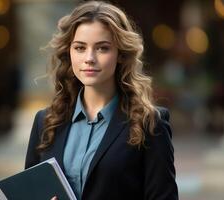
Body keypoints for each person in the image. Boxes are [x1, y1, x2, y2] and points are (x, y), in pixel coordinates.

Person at [24, 1, 178, 200]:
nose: (89, 58)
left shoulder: (150, 123)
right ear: (69, 52)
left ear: (120, 55)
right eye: (80, 48)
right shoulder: (45, 122)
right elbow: (29, 193)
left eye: (102, 48)